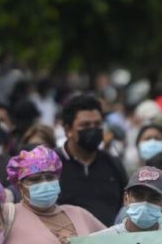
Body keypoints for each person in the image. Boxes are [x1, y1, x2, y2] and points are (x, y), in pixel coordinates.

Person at [55, 94, 128, 227]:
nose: (93, 129)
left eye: (98, 124)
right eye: (85, 125)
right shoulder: (52, 165)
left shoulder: (113, 164)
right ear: (68, 130)